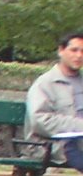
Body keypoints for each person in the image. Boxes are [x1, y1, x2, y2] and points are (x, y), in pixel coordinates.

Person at [26, 31, 83, 168]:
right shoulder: (46, 83)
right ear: (61, 51)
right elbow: (39, 120)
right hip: (55, 145)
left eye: (82, 51)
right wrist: (79, 126)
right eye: (74, 50)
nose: (79, 55)